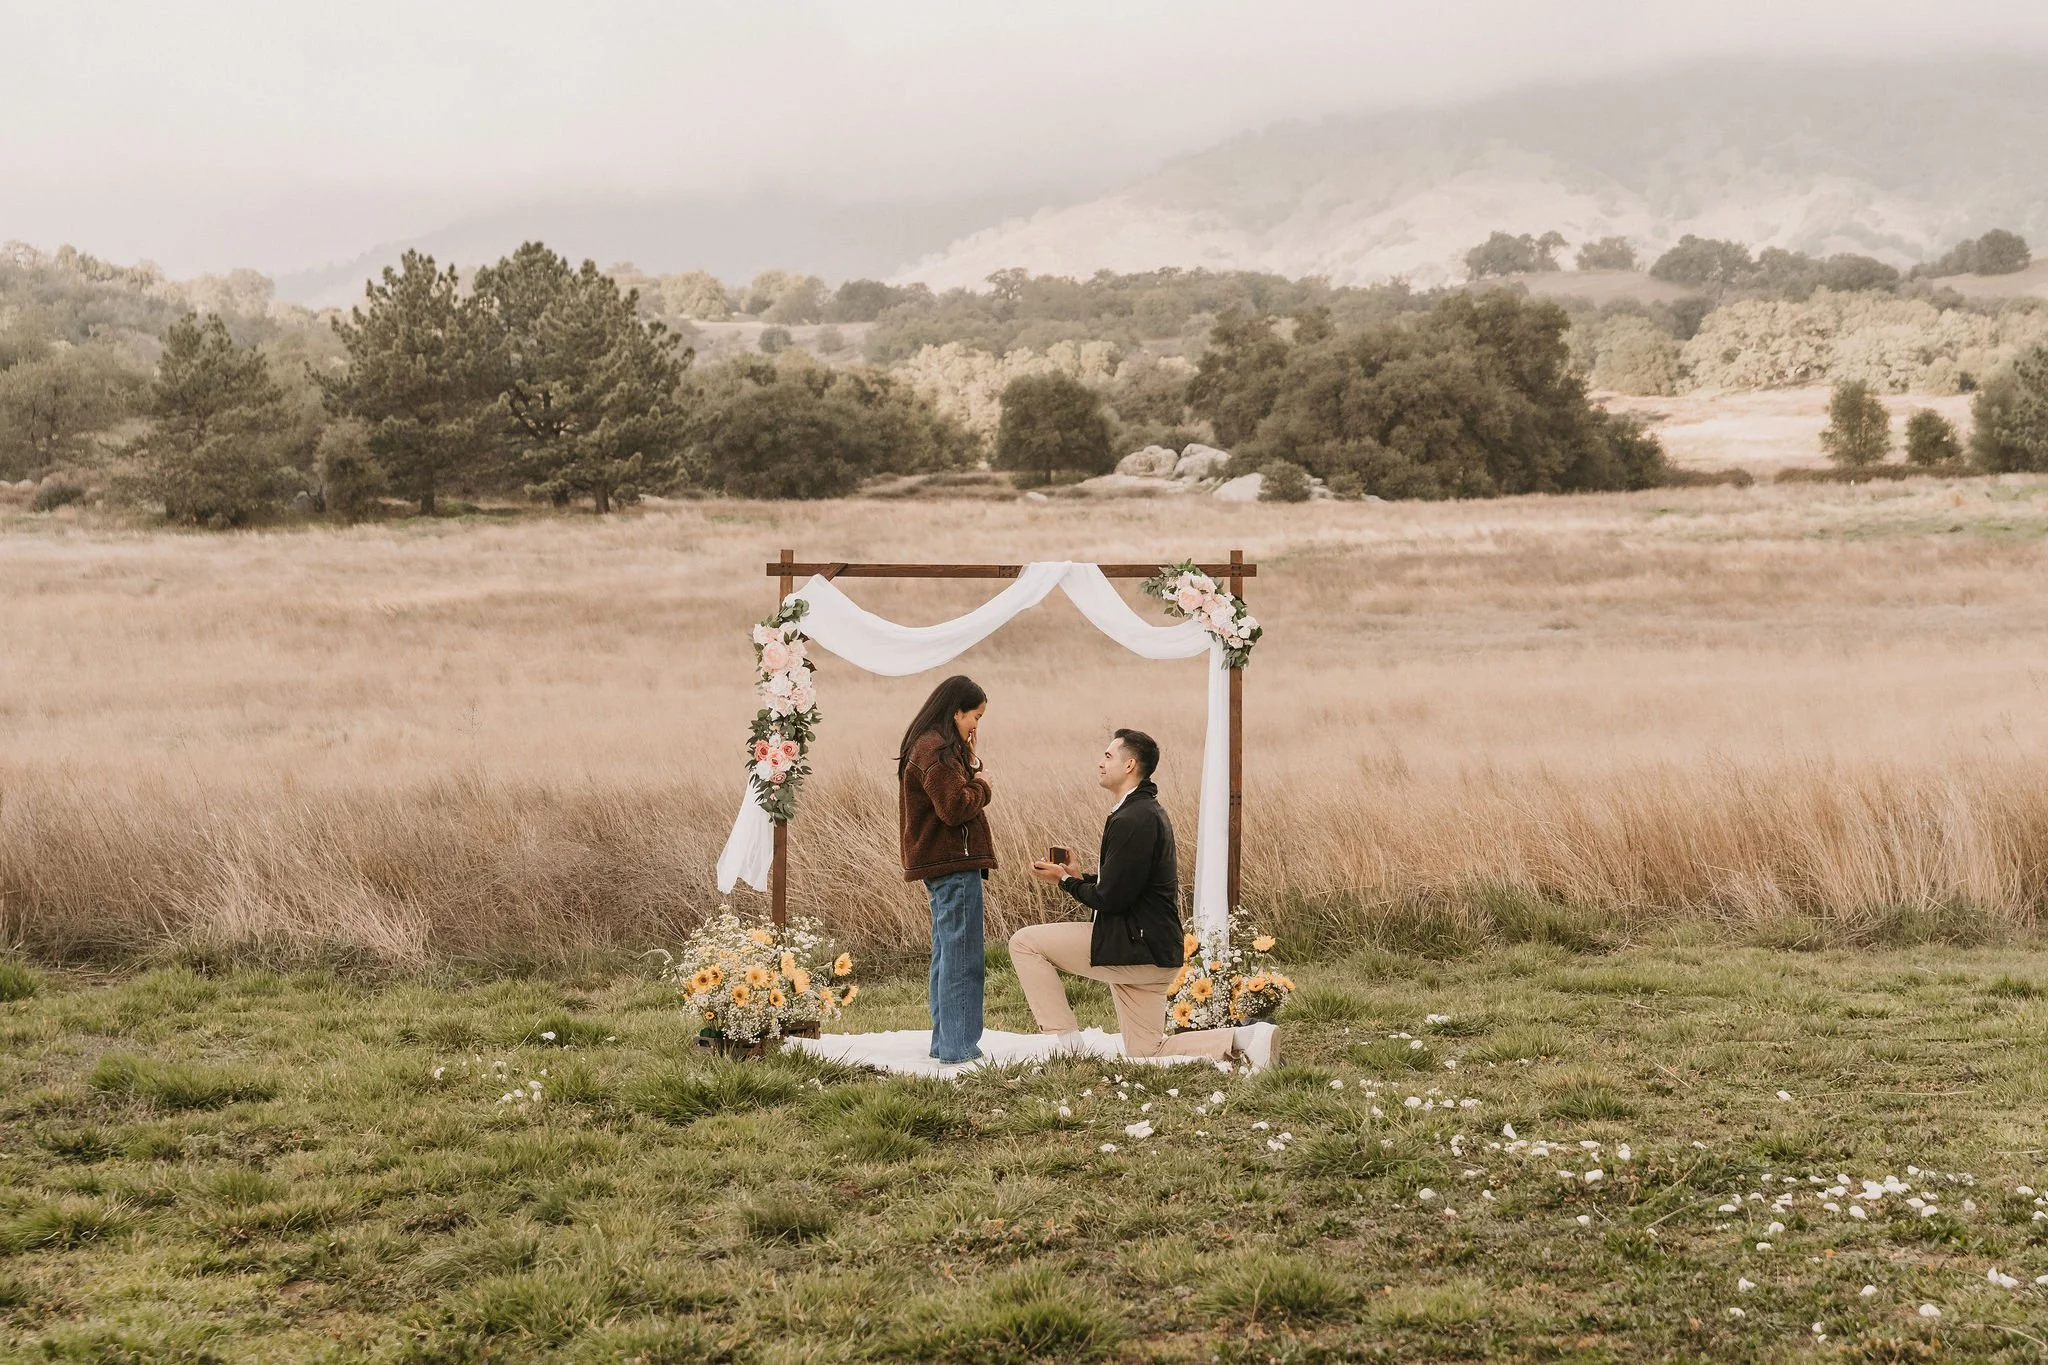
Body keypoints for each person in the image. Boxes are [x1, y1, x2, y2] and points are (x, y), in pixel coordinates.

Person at [1016, 729, 1281, 1068]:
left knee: (1025, 943)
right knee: (1147, 1051)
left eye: (1108, 756)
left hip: (1135, 948)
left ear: (1129, 765)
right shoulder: (1142, 811)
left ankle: (1066, 1047)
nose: (1100, 763)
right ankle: (1248, 1038)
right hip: (1155, 951)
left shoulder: (1133, 818)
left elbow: (1111, 900)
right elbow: (1127, 886)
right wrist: (1080, 878)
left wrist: (1065, 881)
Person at [898, 674, 995, 1065]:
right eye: (975, 716)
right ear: (956, 711)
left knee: (948, 952)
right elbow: (954, 808)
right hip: (952, 861)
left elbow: (949, 794)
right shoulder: (936, 750)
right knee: (963, 957)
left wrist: (970, 761)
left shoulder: (931, 745)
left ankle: (947, 1042)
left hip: (942, 862)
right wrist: (983, 785)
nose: (975, 725)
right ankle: (959, 1047)